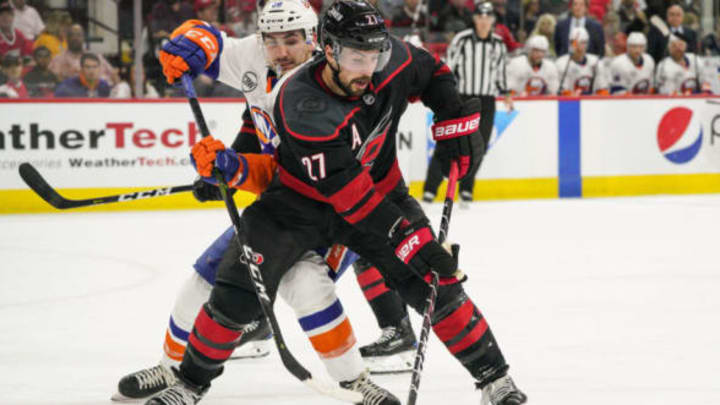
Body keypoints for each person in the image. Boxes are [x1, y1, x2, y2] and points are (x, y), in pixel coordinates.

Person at [147, 1, 528, 404]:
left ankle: (495, 380)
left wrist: (453, 121)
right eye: (353, 57)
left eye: (373, 56)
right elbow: (351, 197)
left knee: (435, 282)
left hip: (380, 191)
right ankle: (188, 385)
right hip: (295, 204)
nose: (366, 68)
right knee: (236, 291)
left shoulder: (391, 59)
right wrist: (413, 240)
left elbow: (432, 73)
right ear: (328, 51)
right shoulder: (301, 103)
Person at [112, 2, 400, 404]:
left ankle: (355, 382)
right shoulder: (257, 57)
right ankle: (171, 368)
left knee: (306, 284)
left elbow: (293, 169)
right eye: (272, 40)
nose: (280, 51)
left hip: (334, 207)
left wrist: (233, 168)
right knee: (204, 278)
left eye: (292, 40)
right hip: (279, 207)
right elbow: (211, 40)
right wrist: (188, 44)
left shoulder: (326, 86)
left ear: (315, 39)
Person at [424, 1, 512, 205]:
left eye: (487, 18)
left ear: (492, 20)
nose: (483, 22)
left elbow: (500, 74)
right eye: (480, 17)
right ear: (474, 19)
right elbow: (448, 69)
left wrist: (506, 94)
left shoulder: (499, 44)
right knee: (446, 143)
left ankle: (466, 189)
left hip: (487, 101)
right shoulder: (462, 40)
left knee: (478, 146)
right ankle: (430, 189)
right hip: (461, 98)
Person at [48, 24, 118, 84]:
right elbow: (52, 81)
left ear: (83, 38)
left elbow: (114, 76)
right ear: (67, 38)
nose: (75, 38)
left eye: (79, 35)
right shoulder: (58, 59)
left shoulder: (96, 56)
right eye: (72, 35)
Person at [555, 26, 608, 95]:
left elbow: (603, 90)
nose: (581, 46)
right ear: (571, 43)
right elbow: (561, 92)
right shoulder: (561, 64)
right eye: (575, 43)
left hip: (592, 103)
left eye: (584, 42)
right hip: (570, 103)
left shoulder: (596, 62)